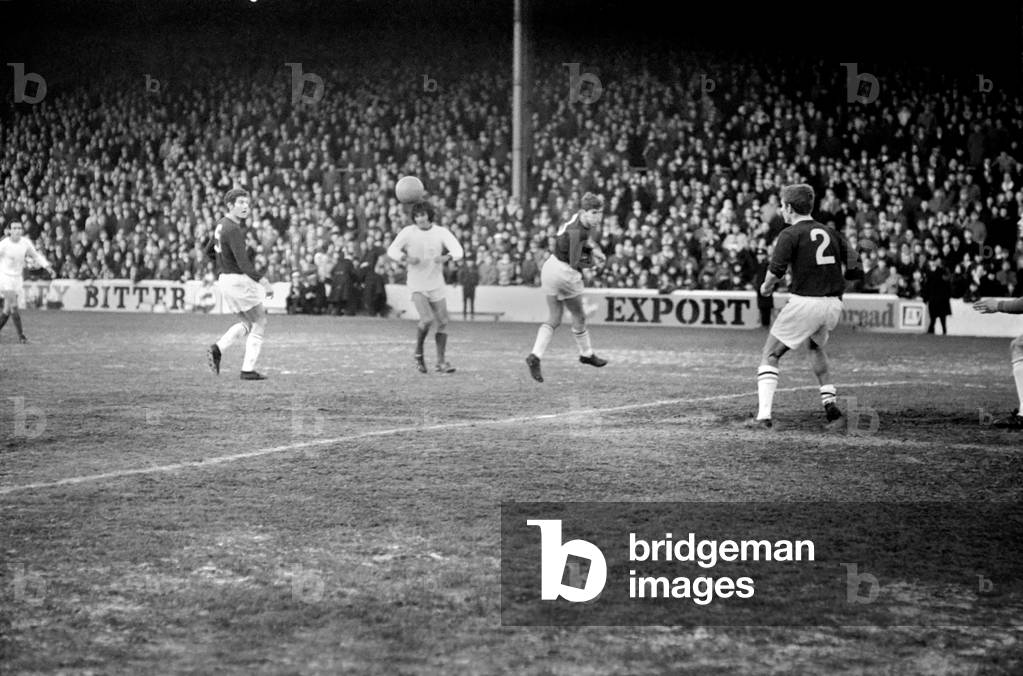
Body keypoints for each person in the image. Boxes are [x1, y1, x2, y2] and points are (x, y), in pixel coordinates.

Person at [754, 183, 860, 429]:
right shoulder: (831, 232)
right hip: (832, 304)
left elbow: (774, 273)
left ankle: (763, 417)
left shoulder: (789, 234)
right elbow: (856, 267)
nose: (781, 210)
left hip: (806, 302)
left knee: (770, 354)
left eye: (782, 206)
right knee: (814, 347)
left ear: (789, 208)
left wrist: (765, 289)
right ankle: (831, 406)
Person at [525, 192, 608, 383]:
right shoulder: (578, 232)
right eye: (594, 213)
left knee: (554, 317)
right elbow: (576, 261)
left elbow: (582, 243)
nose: (598, 217)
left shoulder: (576, 219)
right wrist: (596, 262)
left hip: (550, 267)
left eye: (600, 213)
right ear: (584, 212)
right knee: (579, 316)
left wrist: (594, 249)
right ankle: (586, 354)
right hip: (566, 272)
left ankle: (535, 356)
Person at [386, 201, 464, 374]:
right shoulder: (408, 232)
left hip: (436, 283)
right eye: (417, 216)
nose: (420, 218)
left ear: (429, 215)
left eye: (423, 215)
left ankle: (441, 362)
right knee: (427, 319)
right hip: (417, 283)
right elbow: (392, 251)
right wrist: (406, 258)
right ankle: (418, 353)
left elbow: (459, 251)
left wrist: (446, 257)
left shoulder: (441, 232)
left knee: (443, 321)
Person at [204, 188, 273, 380]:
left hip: (225, 280)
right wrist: (264, 281)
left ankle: (217, 348)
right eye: (240, 202)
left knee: (247, 322)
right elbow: (244, 264)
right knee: (260, 320)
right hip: (237, 280)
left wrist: (223, 263)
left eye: (246, 202)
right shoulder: (233, 229)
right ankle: (247, 370)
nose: (245, 206)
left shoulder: (221, 224)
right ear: (230, 205)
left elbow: (208, 250)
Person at [0, 221, 55, 342]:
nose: (17, 230)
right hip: (5, 279)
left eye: (19, 228)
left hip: (17, 279)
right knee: (14, 306)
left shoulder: (25, 242)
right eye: (14, 228)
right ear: (9, 231)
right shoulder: (4, 244)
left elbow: (35, 255)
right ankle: (21, 336)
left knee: (7, 310)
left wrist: (47, 266)